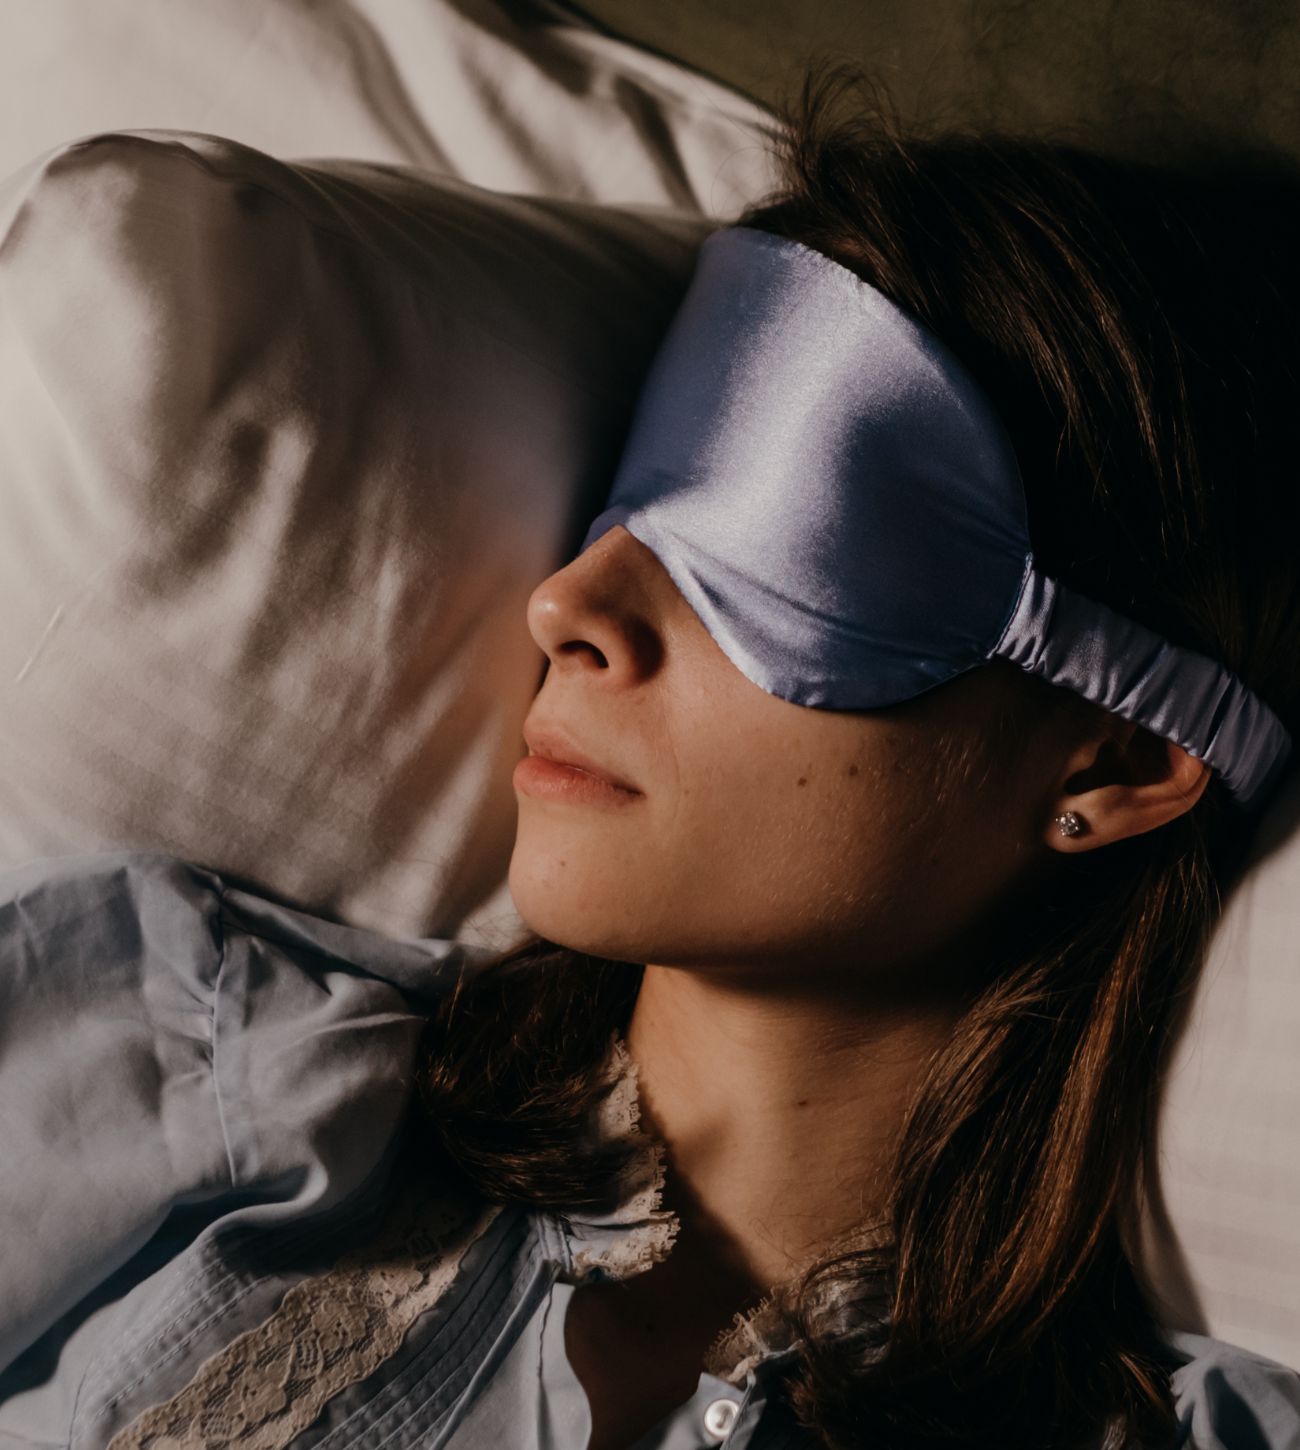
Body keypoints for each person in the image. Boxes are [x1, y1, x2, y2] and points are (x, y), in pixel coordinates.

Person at [2, 68, 1300, 1450]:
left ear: (1111, 763)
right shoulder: (189, 1053)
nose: (569, 607)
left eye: (782, 554)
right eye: (639, 496)